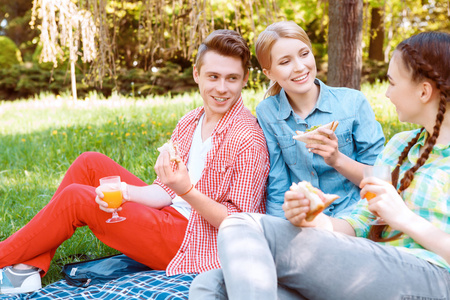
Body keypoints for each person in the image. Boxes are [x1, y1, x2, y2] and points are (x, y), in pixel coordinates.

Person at [0, 29, 270, 294]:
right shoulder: (190, 121)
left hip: (194, 242)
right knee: (90, 163)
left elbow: (240, 225)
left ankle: (8, 258)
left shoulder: (248, 139)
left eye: (231, 78)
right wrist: (126, 193)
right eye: (213, 76)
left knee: (77, 199)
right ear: (196, 74)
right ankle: (28, 266)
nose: (222, 88)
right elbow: (164, 191)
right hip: (168, 216)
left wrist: (186, 190)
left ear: (245, 78)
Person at [190, 31, 450, 299]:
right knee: (211, 284)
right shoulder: (401, 145)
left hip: (430, 276)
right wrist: (314, 220)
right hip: (369, 265)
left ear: (424, 91)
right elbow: (360, 220)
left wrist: (404, 218)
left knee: (239, 225)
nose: (386, 93)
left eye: (393, 83)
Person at [253, 21, 384, 219]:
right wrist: (278, 233)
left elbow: (379, 178)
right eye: (285, 62)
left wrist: (337, 159)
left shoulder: (353, 103)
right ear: (268, 73)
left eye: (304, 54)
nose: (299, 67)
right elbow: (277, 183)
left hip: (355, 216)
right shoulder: (268, 112)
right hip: (304, 221)